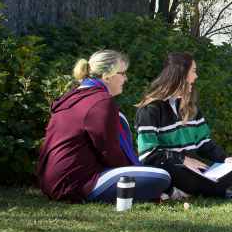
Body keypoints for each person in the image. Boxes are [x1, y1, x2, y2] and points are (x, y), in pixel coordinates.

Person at [37, 50, 172, 204]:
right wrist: (135, 173)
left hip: (52, 182)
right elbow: (111, 155)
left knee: (120, 119)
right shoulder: (102, 101)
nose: (126, 78)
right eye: (122, 73)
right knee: (161, 177)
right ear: (106, 76)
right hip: (73, 186)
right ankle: (158, 191)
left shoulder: (76, 95)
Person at [135, 52, 232, 199]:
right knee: (168, 168)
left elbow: (202, 142)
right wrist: (183, 160)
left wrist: (224, 159)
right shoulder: (151, 109)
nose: (196, 76)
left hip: (191, 173)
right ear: (180, 74)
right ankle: (224, 193)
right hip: (170, 171)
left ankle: (186, 192)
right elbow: (147, 154)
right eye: (193, 71)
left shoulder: (190, 105)